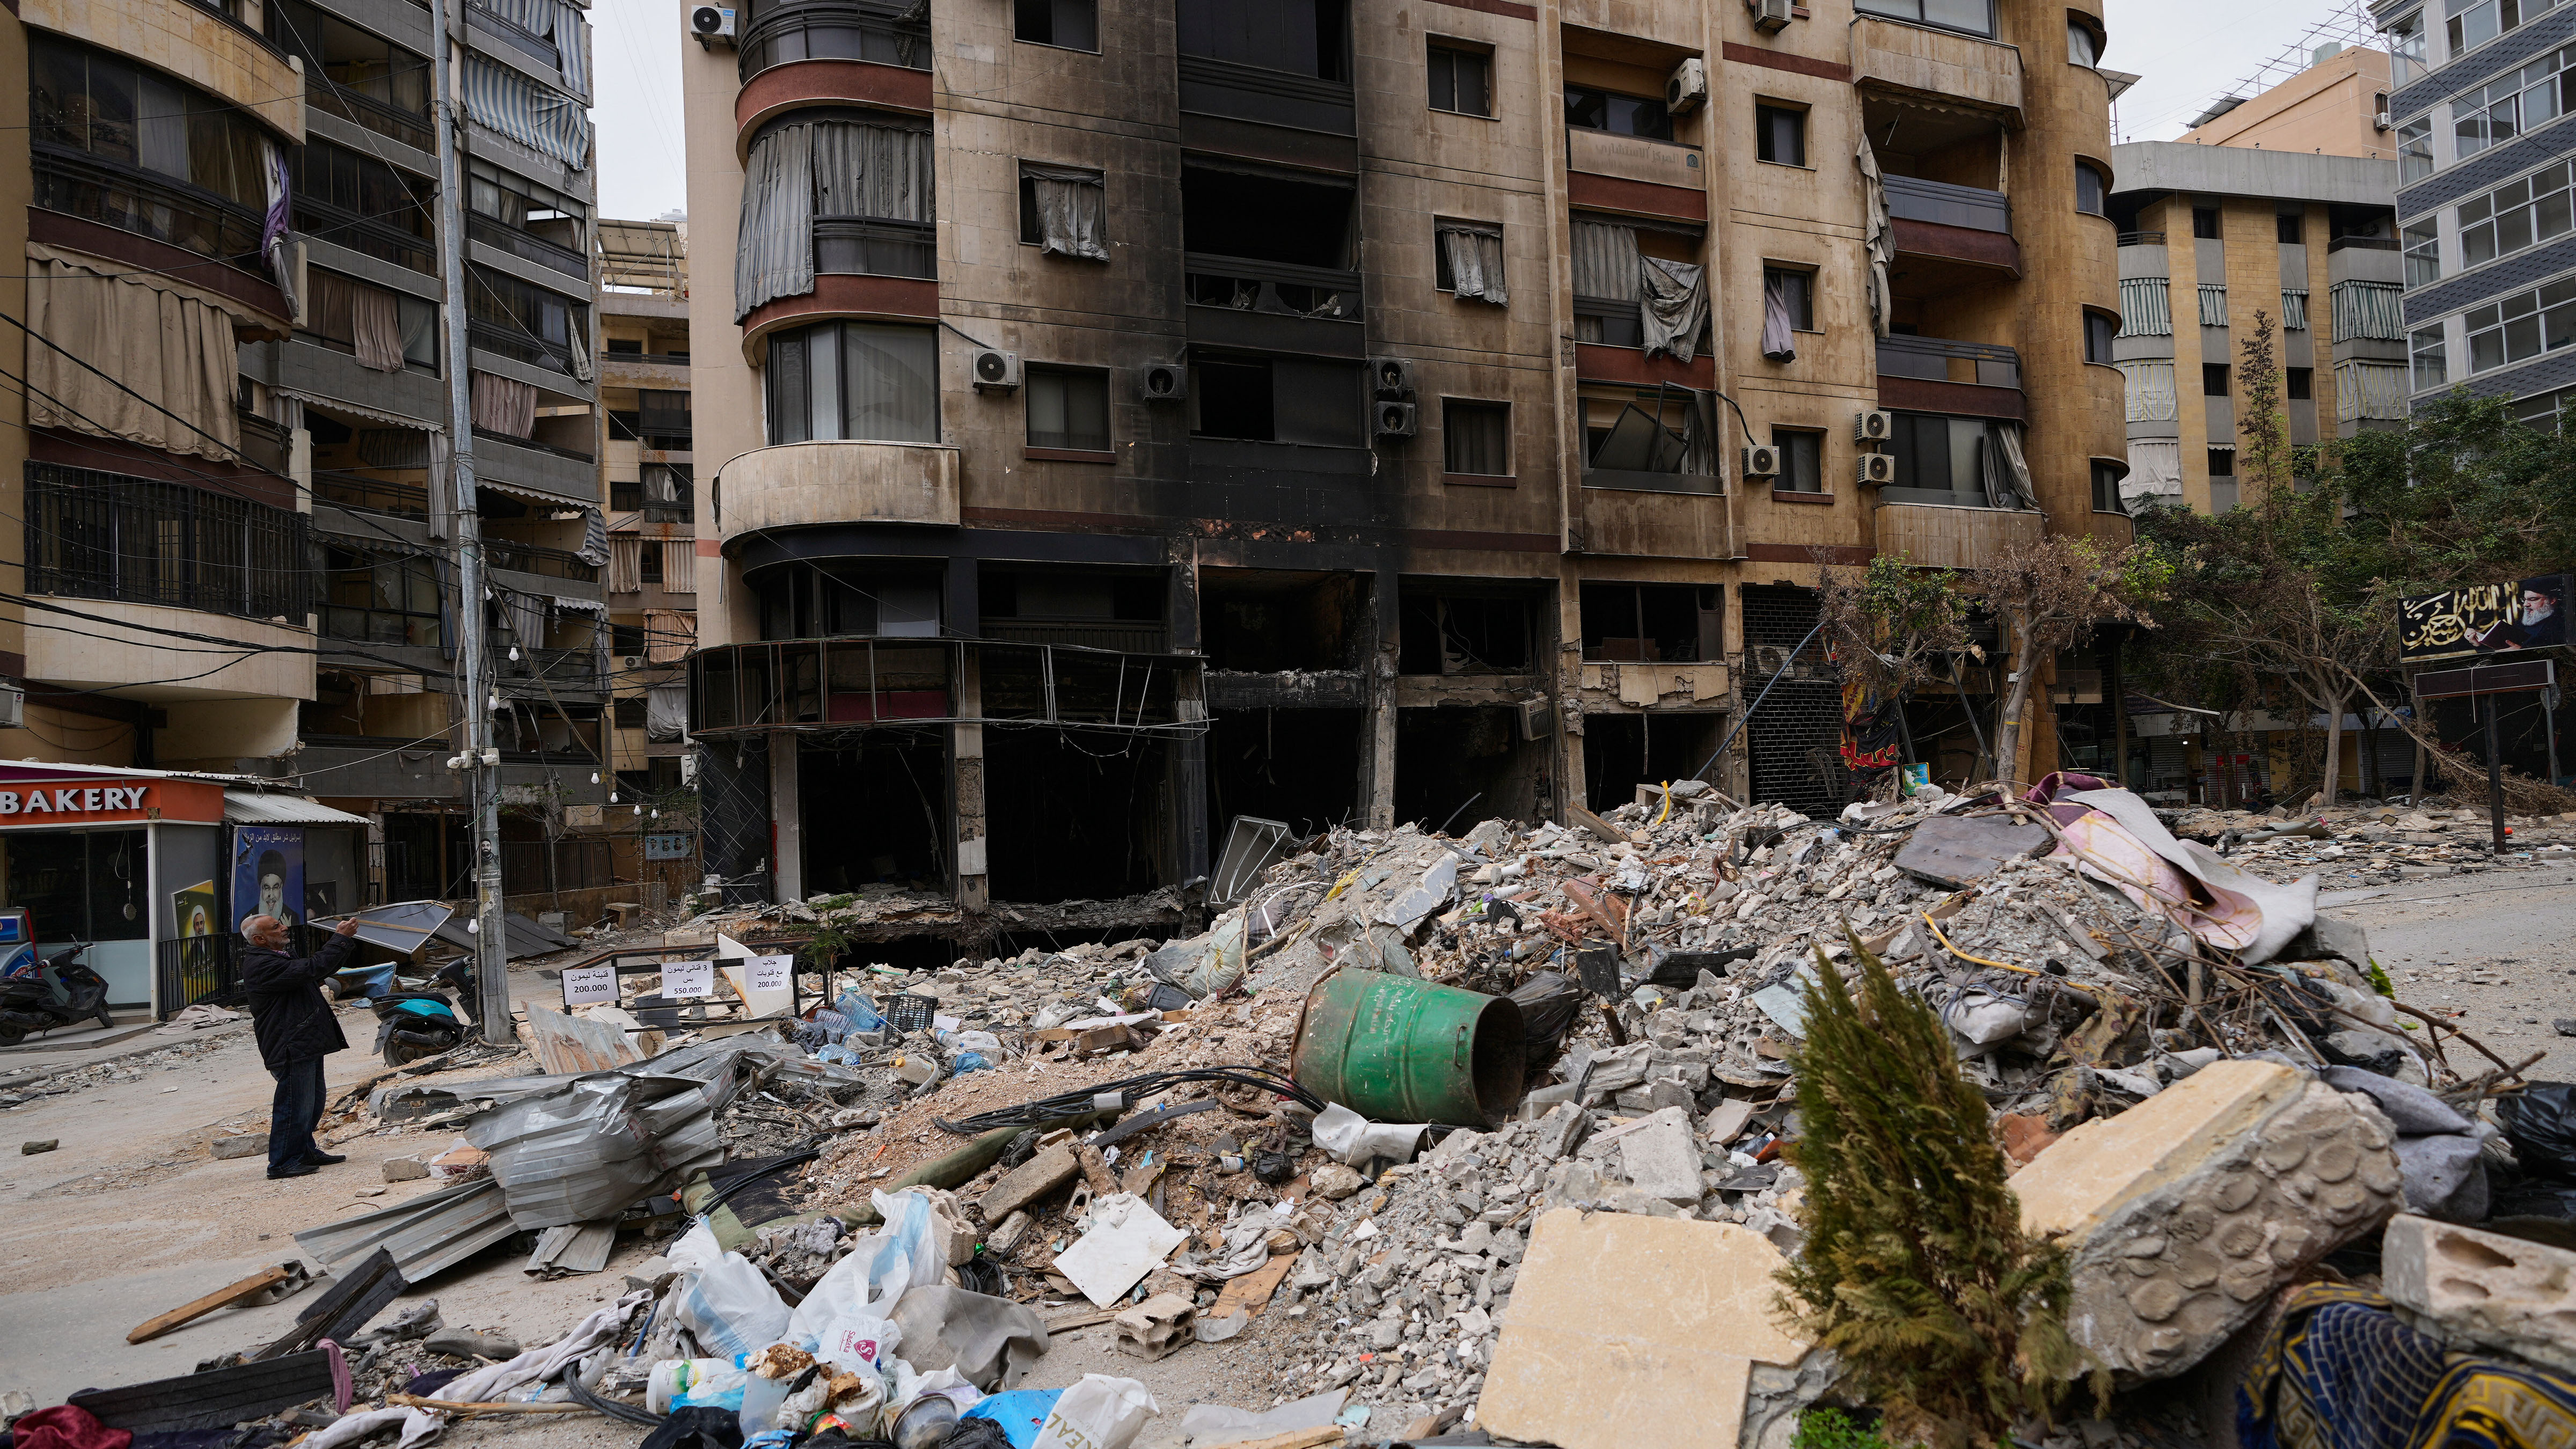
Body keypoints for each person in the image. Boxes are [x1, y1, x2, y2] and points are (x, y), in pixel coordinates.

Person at [239, 912, 361, 1180]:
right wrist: (340, 939)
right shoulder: (263, 965)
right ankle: (283, 1162)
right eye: (276, 927)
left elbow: (315, 969)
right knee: (295, 1104)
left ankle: (304, 1150)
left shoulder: (275, 956)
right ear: (260, 939)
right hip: (289, 1044)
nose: (284, 928)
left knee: (312, 1102)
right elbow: (313, 968)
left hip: (302, 1040)